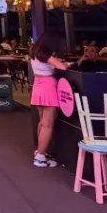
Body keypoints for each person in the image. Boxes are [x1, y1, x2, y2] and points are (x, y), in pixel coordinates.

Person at [30, 32, 69, 168]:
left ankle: (39, 151)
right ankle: (40, 157)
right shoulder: (46, 55)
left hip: (38, 85)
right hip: (48, 87)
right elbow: (63, 67)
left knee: (42, 122)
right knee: (48, 124)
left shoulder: (35, 53)